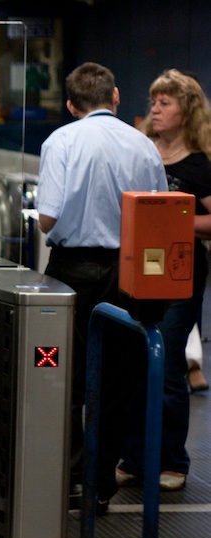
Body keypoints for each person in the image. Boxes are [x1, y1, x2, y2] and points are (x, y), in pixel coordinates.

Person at [36, 62, 167, 513]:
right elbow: (160, 214)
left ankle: (71, 480)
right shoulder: (144, 146)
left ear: (72, 105)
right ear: (115, 98)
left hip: (72, 272)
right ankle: (101, 484)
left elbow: (47, 218)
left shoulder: (62, 141)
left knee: (62, 374)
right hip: (129, 274)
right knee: (118, 382)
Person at [115, 69, 211, 492]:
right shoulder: (142, 151)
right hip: (139, 271)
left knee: (169, 360)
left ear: (185, 111)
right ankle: (135, 457)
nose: (155, 109)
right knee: (136, 360)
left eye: (165, 103)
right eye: (154, 101)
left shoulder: (199, 163)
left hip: (179, 272)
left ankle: (174, 460)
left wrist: (176, 224)